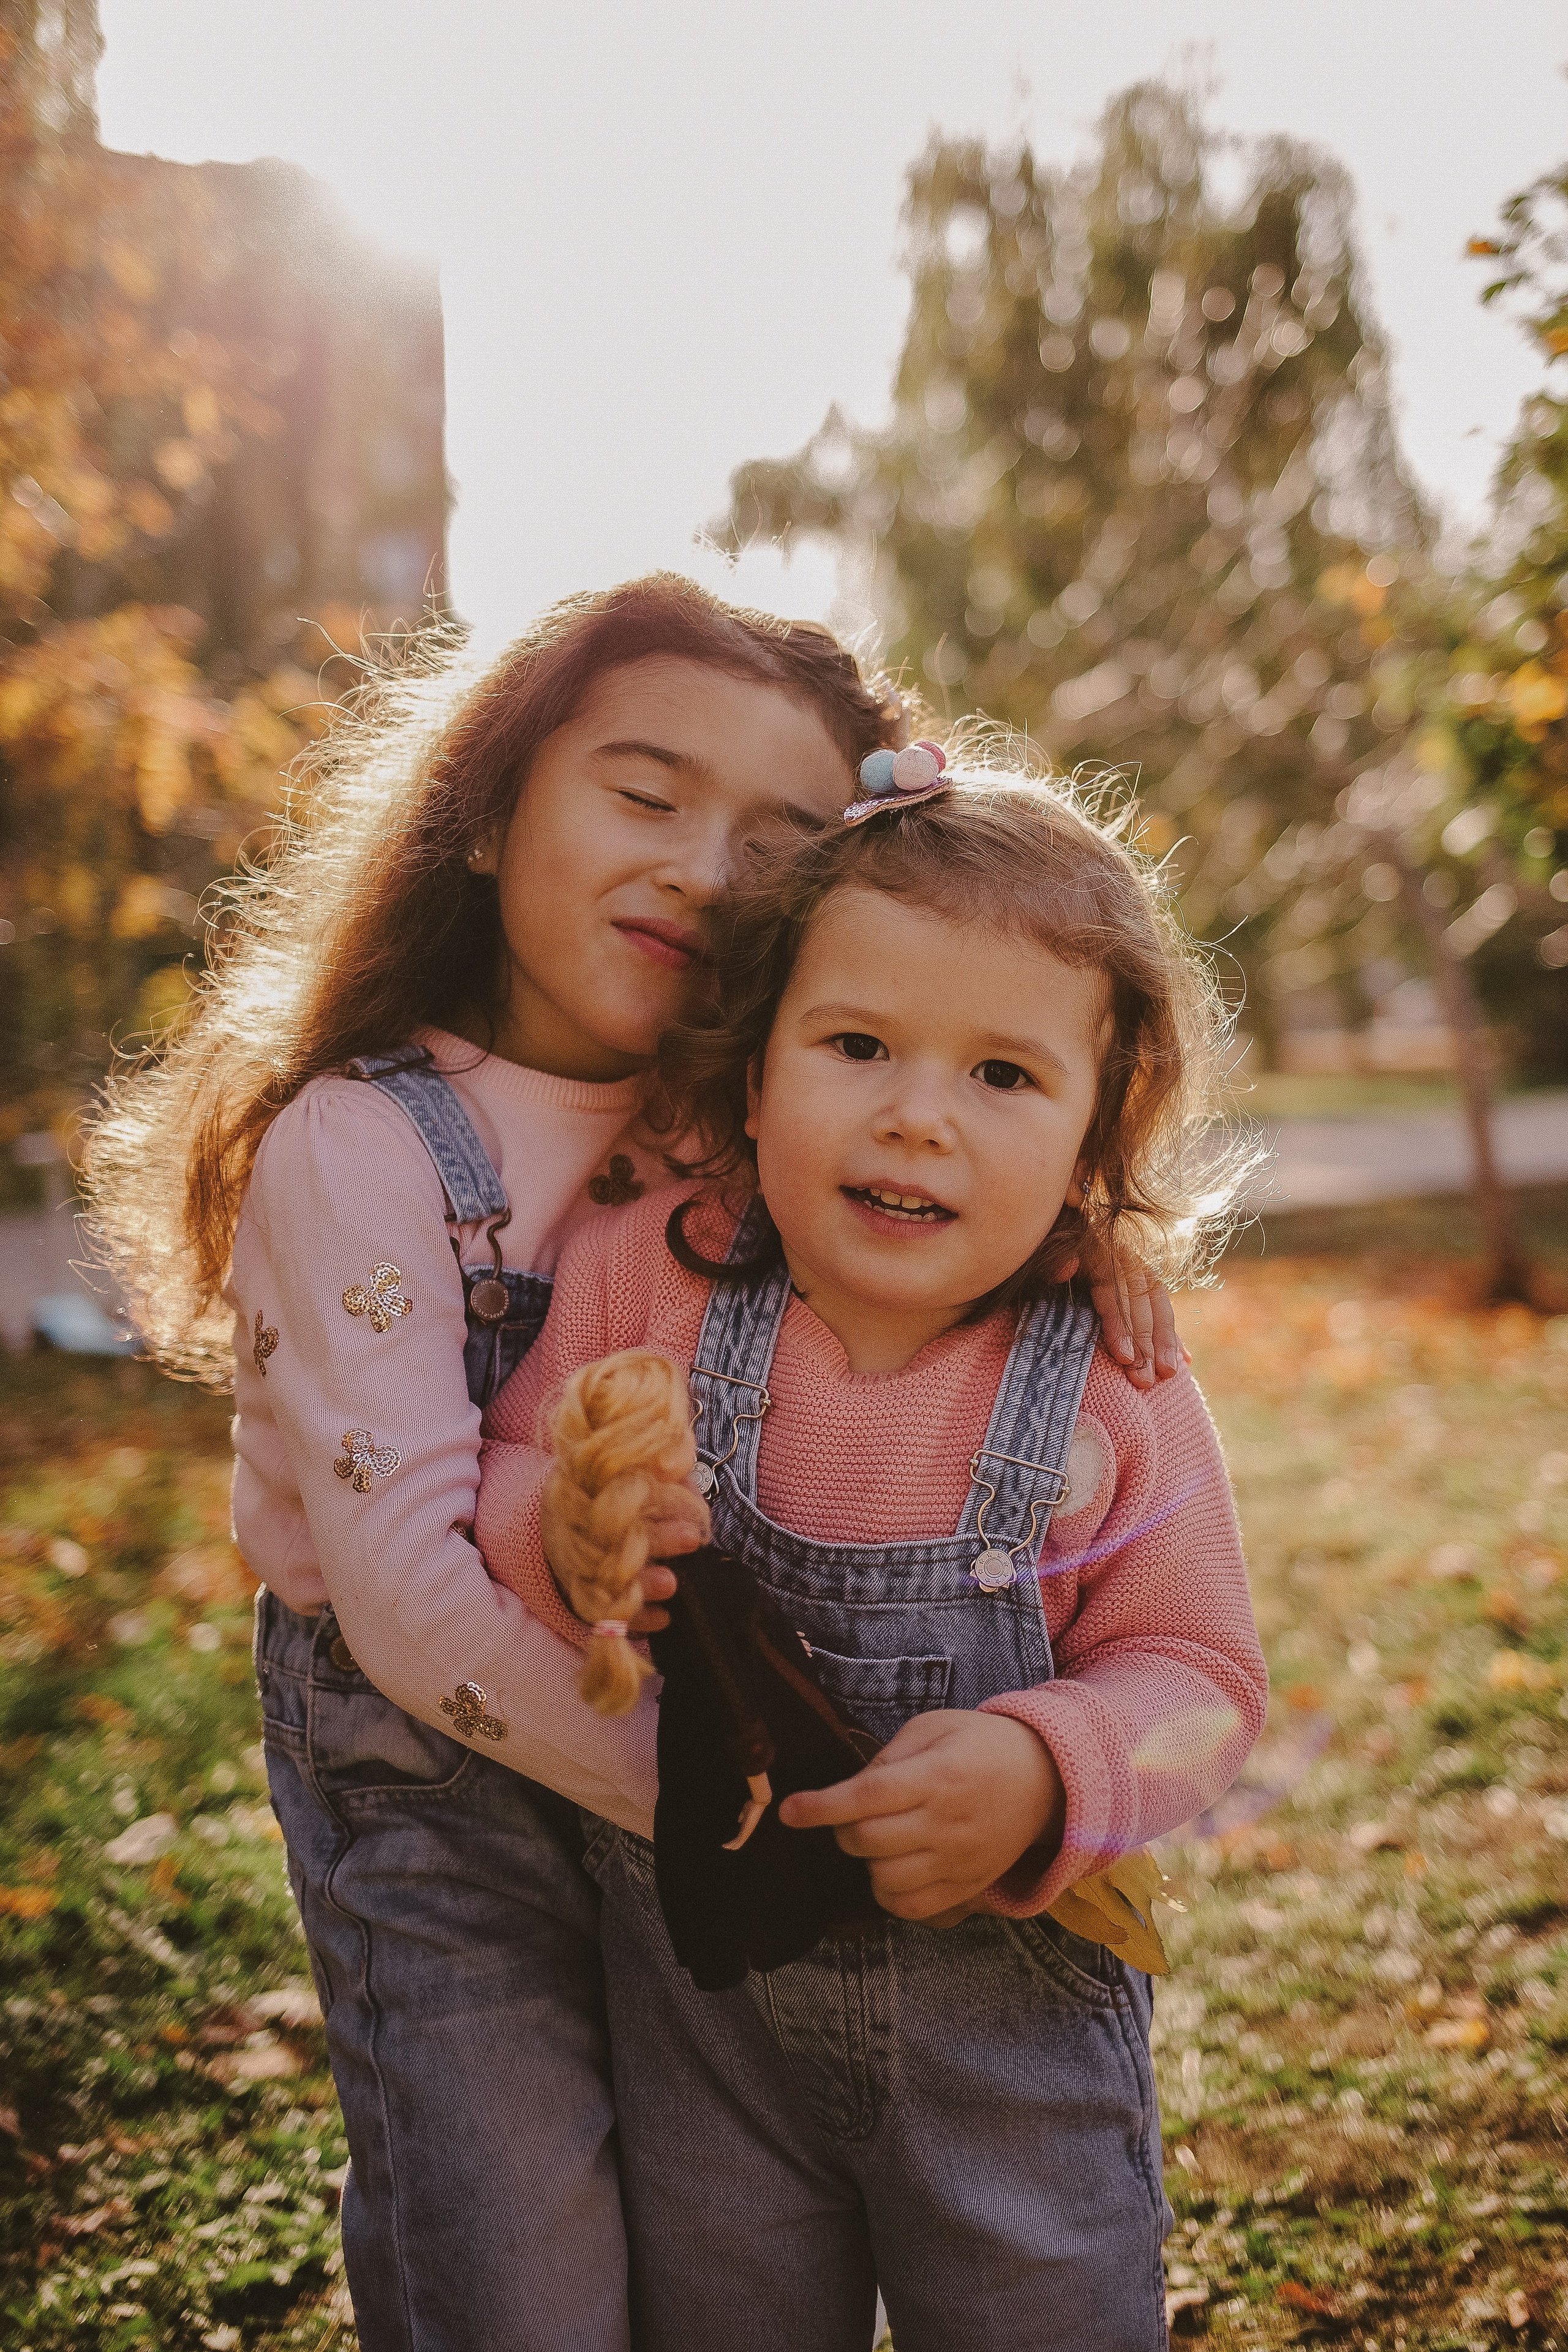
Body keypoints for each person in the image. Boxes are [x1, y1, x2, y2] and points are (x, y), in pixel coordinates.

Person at [82, 577, 1179, 2352]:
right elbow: (420, 1600)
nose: (695, 867)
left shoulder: (747, 1116)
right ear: (493, 807)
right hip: (448, 1780)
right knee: (522, 2267)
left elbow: (940, 1168)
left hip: (698, 1756)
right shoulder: (361, 1146)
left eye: (776, 838)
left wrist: (1061, 1235)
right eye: (645, 794)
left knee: (709, 2267)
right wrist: (768, 1811)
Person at [475, 767, 1267, 2352]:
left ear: (1089, 1135)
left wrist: (1051, 1769)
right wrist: (570, 1535)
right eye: (856, 1047)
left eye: (1002, 1074)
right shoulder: (653, 1276)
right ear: (755, 1076)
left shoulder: (1108, 1383)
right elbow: (513, 1471)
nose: (919, 1113)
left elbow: (1202, 1684)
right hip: (708, 2033)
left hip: (1007, 2053)